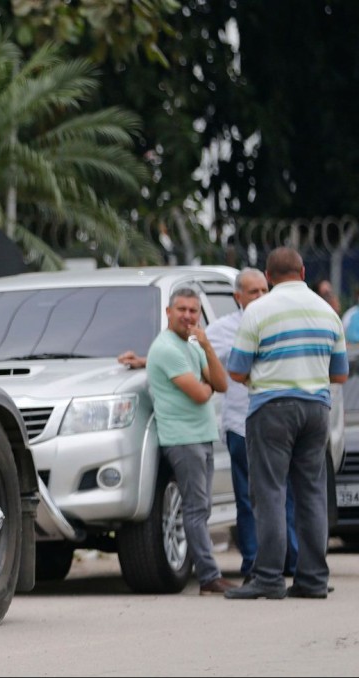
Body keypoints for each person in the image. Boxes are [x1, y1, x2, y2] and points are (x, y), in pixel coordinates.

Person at [225, 247, 348, 600]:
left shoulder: (258, 310)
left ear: (268, 276)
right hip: (315, 411)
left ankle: (268, 578)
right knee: (311, 494)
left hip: (271, 409)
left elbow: (236, 369)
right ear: (303, 271)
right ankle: (311, 580)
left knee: (269, 493)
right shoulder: (328, 313)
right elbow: (339, 374)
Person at [206, 268, 298, 583]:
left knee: (284, 494)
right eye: (253, 292)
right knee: (248, 498)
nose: (260, 296)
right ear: (238, 297)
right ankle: (253, 563)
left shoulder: (282, 322)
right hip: (240, 423)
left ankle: (290, 560)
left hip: (278, 423)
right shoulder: (223, 329)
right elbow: (195, 357)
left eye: (264, 290)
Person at [145, 286, 235, 595]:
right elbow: (200, 394)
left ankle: (209, 574)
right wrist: (206, 384)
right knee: (196, 510)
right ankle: (209, 577)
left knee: (202, 508)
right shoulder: (166, 348)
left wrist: (207, 347)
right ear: (168, 312)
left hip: (202, 436)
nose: (187, 316)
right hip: (182, 439)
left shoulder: (195, 345)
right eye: (181, 309)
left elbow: (221, 383)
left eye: (193, 311)